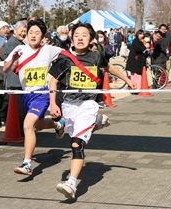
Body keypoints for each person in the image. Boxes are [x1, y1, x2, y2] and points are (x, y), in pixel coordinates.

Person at [48, 22, 136, 199]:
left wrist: (128, 79)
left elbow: (109, 68)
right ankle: (97, 123)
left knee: (77, 144)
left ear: (91, 40)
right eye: (77, 35)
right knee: (73, 136)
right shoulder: (63, 59)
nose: (80, 38)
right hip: (68, 106)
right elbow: (53, 81)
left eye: (84, 35)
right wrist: (53, 104)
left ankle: (72, 183)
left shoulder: (96, 57)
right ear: (72, 39)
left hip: (88, 105)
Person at [3, 19, 65, 175]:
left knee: (28, 125)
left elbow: (67, 55)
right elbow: (5, 69)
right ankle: (58, 125)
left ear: (43, 35)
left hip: (42, 94)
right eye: (30, 32)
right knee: (39, 125)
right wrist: (13, 58)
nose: (33, 36)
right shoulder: (19, 48)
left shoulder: (49, 50)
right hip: (26, 95)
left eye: (37, 33)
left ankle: (26, 164)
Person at [3, 20, 27, 135]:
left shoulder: (20, 43)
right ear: (15, 31)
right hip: (14, 81)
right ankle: (19, 131)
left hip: (20, 81)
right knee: (17, 110)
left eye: (25, 31)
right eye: (21, 31)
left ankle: (21, 130)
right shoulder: (12, 43)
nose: (23, 33)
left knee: (21, 109)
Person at [0, 21, 10, 126]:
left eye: (7, 27)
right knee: (4, 97)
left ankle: (7, 117)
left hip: (10, 73)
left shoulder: (8, 41)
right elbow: (4, 56)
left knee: (9, 97)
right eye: (4, 28)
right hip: (2, 74)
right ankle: (1, 117)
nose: (6, 30)